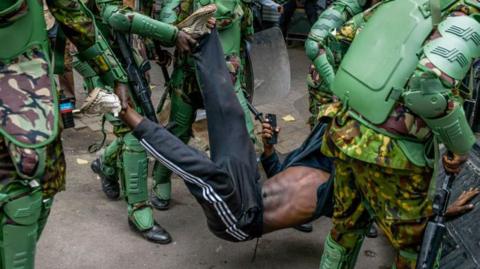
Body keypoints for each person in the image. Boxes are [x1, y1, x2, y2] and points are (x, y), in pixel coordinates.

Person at [91, 30, 479, 243]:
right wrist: (271, 147)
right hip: (249, 191)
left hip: (241, 220)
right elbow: (276, 169)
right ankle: (202, 41)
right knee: (230, 120)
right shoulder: (322, 152)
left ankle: (132, 119)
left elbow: (396, 215)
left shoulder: (349, 187)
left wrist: (443, 212)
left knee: (207, 175)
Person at [309, 0, 480, 267]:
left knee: (344, 229)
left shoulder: (398, 2)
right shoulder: (466, 9)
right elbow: (428, 90)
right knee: (415, 250)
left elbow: (328, 45)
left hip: (346, 133)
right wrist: (459, 145)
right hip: (396, 156)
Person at [0, 0, 129, 267]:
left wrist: (115, 75)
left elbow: (76, 18)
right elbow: (76, 18)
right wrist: (114, 75)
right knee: (27, 196)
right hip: (28, 112)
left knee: (30, 194)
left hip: (29, 111)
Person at [77, 0, 211, 243]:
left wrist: (150, 49)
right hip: (101, 66)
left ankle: (106, 163)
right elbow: (115, 16)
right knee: (135, 136)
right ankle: (138, 210)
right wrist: (173, 34)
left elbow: (132, 16)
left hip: (127, 63)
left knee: (140, 129)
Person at [148, 0, 257, 211]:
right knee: (177, 131)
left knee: (242, 132)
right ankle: (161, 179)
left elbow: (246, 35)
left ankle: (246, 190)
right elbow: (166, 26)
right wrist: (185, 27)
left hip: (227, 78)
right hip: (189, 76)